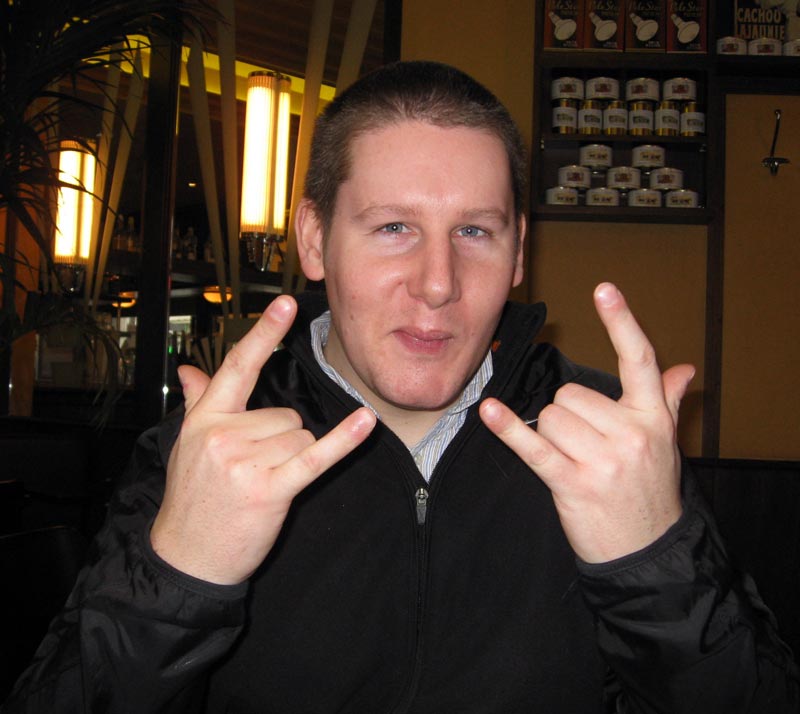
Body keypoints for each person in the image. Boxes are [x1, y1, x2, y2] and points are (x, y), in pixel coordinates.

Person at [4, 61, 798, 714]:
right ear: (315, 238)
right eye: (393, 228)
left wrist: (655, 566)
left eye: (475, 231)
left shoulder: (615, 444)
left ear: (519, 254)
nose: (438, 283)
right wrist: (179, 577)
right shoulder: (209, 447)